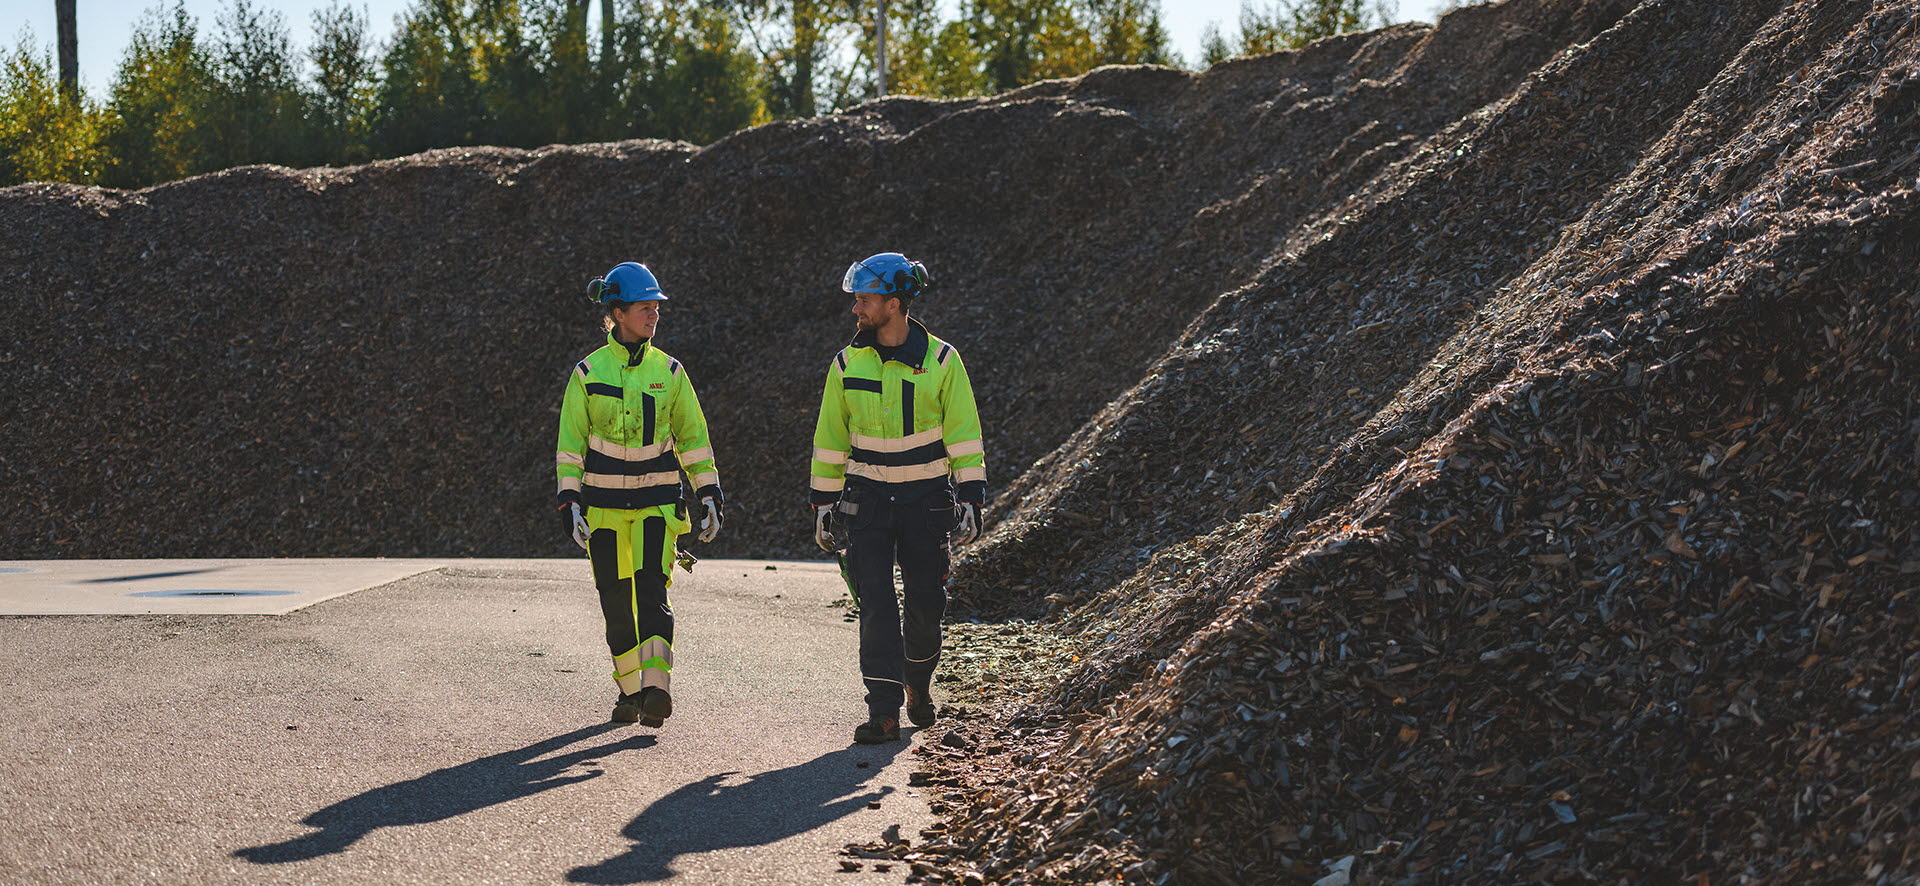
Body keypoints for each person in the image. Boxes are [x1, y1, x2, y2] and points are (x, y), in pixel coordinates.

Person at [808, 252, 986, 744]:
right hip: (866, 501)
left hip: (926, 501)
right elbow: (830, 438)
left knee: (927, 603)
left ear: (893, 302)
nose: (855, 309)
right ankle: (883, 709)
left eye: (863, 300)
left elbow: (964, 435)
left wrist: (971, 497)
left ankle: (918, 684)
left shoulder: (944, 361)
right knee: (877, 605)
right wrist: (823, 503)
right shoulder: (846, 363)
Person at [555, 261, 723, 726]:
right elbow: (570, 448)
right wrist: (568, 502)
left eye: (656, 308)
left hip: (656, 507)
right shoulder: (588, 373)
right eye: (646, 307)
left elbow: (694, 440)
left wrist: (708, 493)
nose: (654, 315)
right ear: (618, 312)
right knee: (615, 598)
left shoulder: (669, 371)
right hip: (603, 511)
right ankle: (630, 693)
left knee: (652, 593)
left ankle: (656, 689)